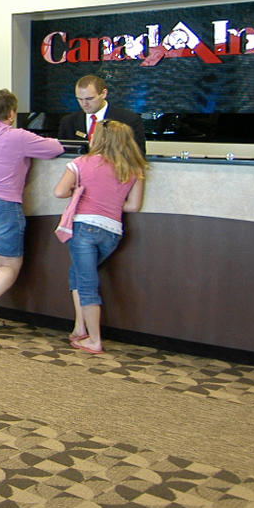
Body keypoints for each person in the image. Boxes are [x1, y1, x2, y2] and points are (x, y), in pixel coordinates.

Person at [0, 89, 64, 337]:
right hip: (1, 204)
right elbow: (56, 148)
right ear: (11, 113)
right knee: (9, 265)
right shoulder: (17, 136)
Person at [53, 119, 147, 355]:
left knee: (87, 284)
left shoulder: (81, 162)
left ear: (99, 139)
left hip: (84, 228)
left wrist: (77, 192)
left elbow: (59, 192)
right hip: (113, 232)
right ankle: (79, 327)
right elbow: (133, 206)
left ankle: (94, 340)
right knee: (77, 273)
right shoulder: (134, 169)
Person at [57, 74, 146, 151]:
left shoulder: (129, 120)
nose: (84, 104)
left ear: (104, 93)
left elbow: (138, 155)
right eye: (80, 99)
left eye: (90, 99)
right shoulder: (68, 122)